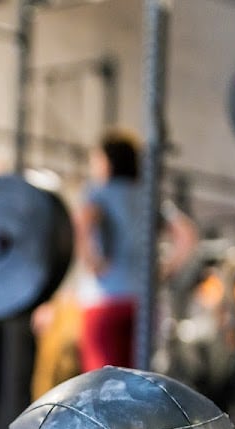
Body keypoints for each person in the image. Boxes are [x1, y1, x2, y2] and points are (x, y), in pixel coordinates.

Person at [32, 129, 196, 371]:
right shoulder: (149, 196)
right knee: (137, 380)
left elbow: (82, 224)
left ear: (106, 161)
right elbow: (187, 234)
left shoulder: (99, 192)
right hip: (144, 302)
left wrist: (92, 261)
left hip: (104, 302)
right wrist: (166, 269)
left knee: (103, 383)